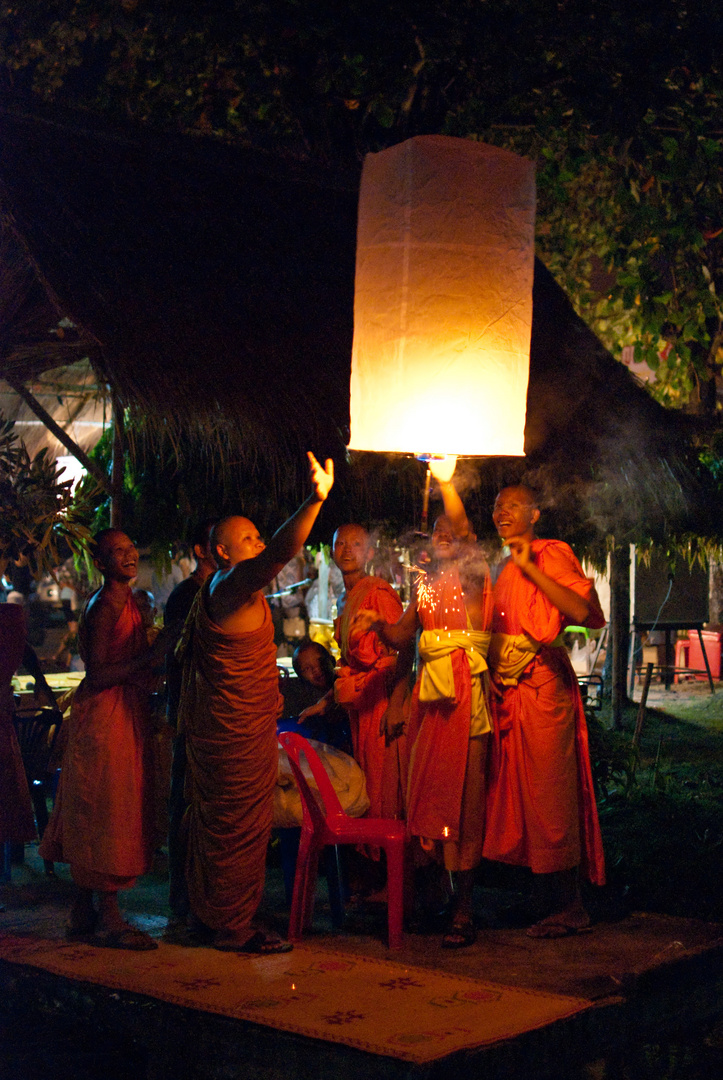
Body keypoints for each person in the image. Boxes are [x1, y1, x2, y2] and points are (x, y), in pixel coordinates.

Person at [178, 451, 334, 953]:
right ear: (221, 554)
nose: (259, 544)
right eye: (247, 538)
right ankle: (233, 927)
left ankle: (211, 915)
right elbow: (279, 555)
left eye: (257, 535)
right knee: (234, 828)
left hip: (234, 729)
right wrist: (314, 500)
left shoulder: (233, 593)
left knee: (229, 826)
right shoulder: (228, 586)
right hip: (231, 736)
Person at [354, 458, 493, 947]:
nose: (443, 535)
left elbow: (462, 524)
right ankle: (435, 899)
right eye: (435, 532)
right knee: (428, 798)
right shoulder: (424, 587)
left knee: (464, 802)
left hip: (466, 700)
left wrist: (447, 478)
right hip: (429, 704)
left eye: (450, 531)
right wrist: (376, 625)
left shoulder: (472, 578)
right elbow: (402, 639)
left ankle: (465, 910)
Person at [483, 485, 606, 937]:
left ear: (535, 513)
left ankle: (572, 906)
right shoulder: (499, 566)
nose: (501, 513)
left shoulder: (551, 553)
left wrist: (531, 569)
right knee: (518, 798)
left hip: (543, 687)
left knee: (552, 797)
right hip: (509, 689)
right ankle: (543, 902)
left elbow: (579, 608)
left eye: (512, 506)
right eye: (497, 506)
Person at [39, 529, 164, 950]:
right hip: (105, 716)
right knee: (109, 809)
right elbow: (99, 672)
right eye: (117, 552)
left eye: (131, 548)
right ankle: (110, 919)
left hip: (118, 712)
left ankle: (82, 909)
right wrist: (151, 655)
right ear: (101, 562)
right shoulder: (106, 605)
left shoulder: (126, 601)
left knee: (96, 806)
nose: (129, 556)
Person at [303, 525, 412, 838]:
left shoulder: (378, 592)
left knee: (386, 787)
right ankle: (374, 867)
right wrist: (325, 702)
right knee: (368, 786)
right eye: (340, 544)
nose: (347, 550)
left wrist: (395, 707)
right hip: (359, 707)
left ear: (369, 553)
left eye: (356, 544)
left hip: (382, 702)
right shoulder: (345, 597)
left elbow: (403, 652)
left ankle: (394, 873)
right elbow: (348, 662)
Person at [162, 519, 218, 932]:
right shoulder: (187, 597)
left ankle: (217, 897)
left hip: (221, 717)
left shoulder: (228, 592)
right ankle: (184, 901)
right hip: (193, 713)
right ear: (204, 549)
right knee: (187, 806)